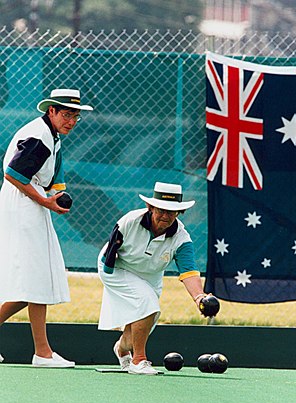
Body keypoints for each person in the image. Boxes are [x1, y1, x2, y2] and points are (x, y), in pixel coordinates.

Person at [0, 88, 93, 367]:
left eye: (75, 116)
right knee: (36, 279)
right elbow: (13, 174)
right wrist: (44, 200)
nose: (71, 121)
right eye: (66, 114)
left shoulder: (52, 136)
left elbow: (54, 176)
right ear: (51, 111)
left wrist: (56, 197)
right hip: (24, 205)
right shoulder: (40, 136)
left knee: (35, 281)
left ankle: (43, 352)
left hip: (31, 204)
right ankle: (42, 353)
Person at [98, 181, 217, 375]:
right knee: (148, 302)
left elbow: (189, 271)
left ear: (179, 213)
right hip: (117, 267)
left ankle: (121, 349)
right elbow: (111, 252)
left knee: (146, 320)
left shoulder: (181, 238)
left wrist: (199, 297)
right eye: (161, 210)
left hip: (150, 276)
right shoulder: (130, 222)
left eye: (171, 212)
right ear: (150, 207)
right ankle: (139, 361)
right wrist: (112, 277)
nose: (165, 216)